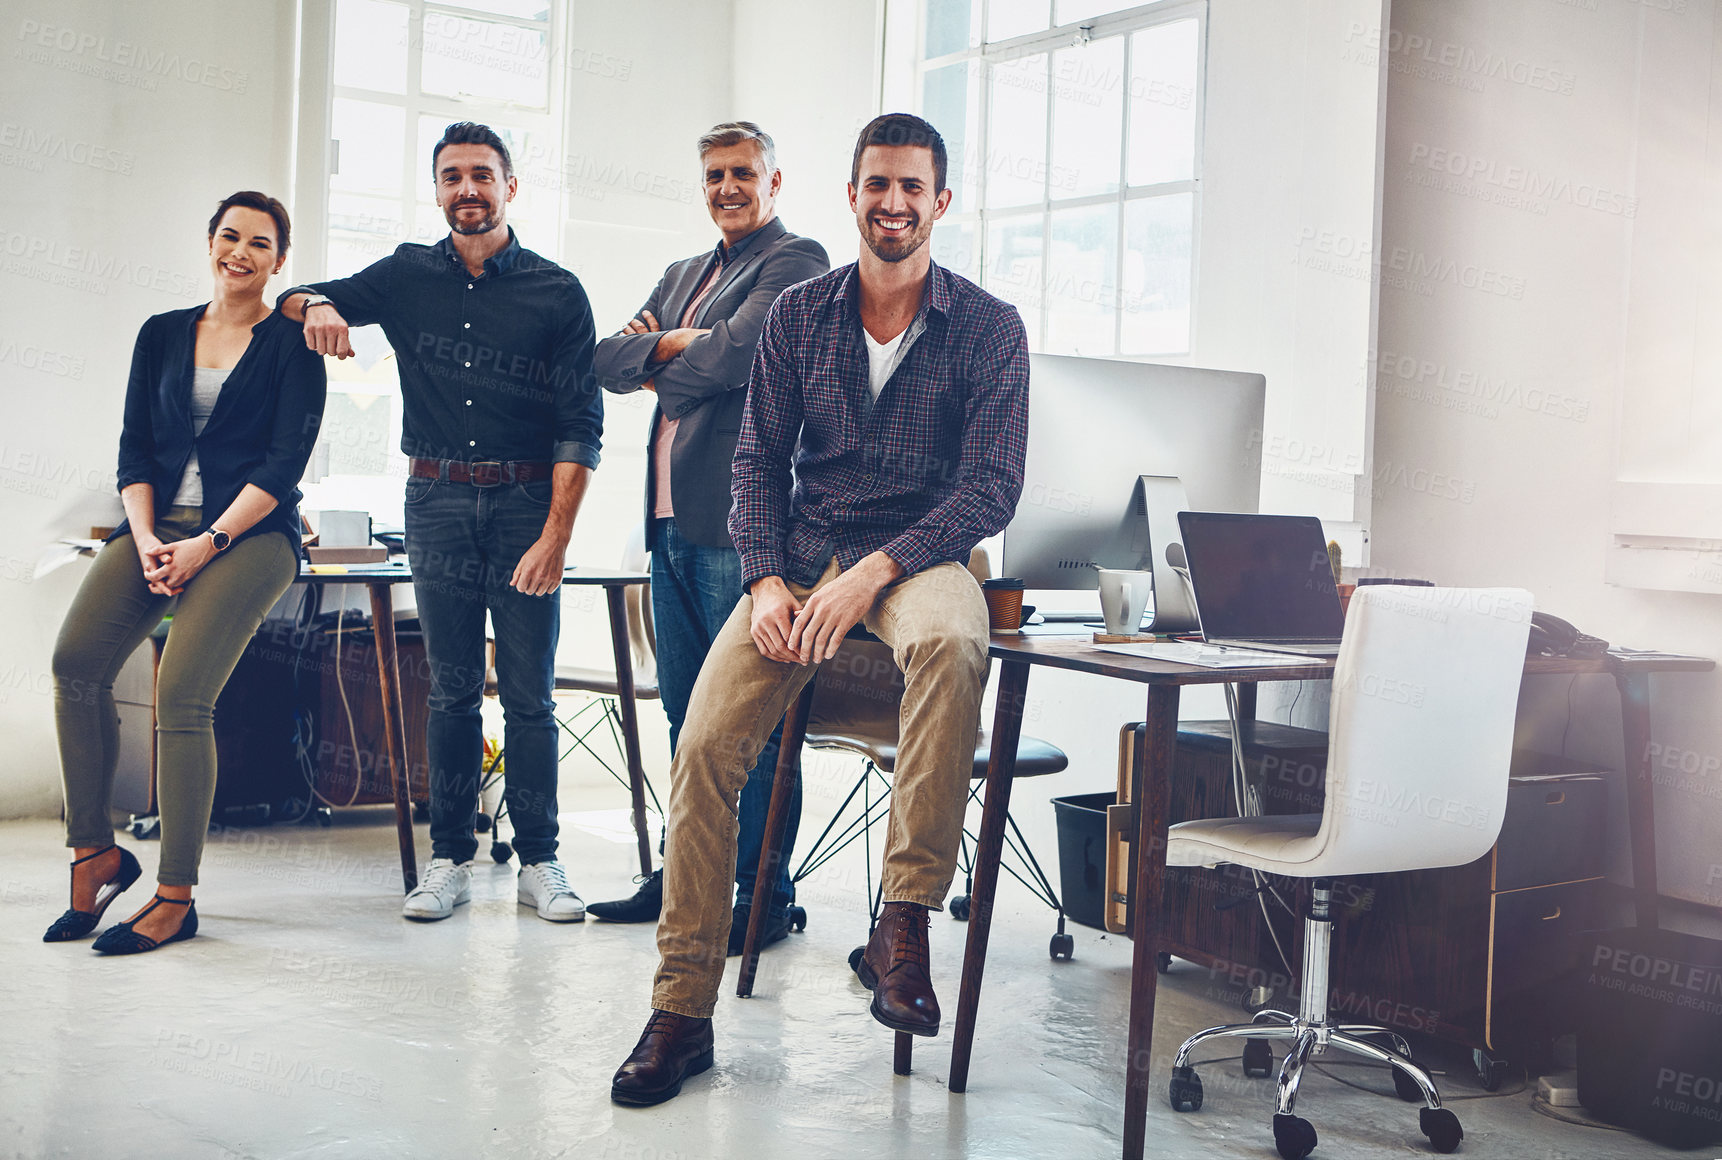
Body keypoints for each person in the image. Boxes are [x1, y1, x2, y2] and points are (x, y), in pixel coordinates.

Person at [610, 113, 1030, 1106]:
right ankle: (682, 1006)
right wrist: (764, 578)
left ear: (941, 202)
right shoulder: (801, 313)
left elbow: (991, 486)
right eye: (876, 184)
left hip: (922, 550)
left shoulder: (989, 326)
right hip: (802, 555)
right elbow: (756, 458)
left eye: (911, 187)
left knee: (954, 642)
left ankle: (904, 921)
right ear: (850, 195)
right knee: (706, 740)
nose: (893, 203)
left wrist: (875, 570)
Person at [278, 122, 603, 923]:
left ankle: (541, 862)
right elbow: (291, 300)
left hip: (529, 504)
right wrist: (317, 303)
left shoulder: (557, 291)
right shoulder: (403, 274)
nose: (469, 190)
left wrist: (556, 536)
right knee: (452, 693)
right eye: (453, 176)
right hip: (435, 503)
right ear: (437, 190)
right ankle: (450, 860)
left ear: (510, 188)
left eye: (483, 176)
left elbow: (580, 424)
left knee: (529, 697)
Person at [46, 191, 326, 954]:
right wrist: (143, 539)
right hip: (156, 527)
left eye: (260, 243)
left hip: (254, 535)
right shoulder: (162, 334)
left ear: (279, 260)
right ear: (209, 243)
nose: (241, 252)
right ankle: (93, 855)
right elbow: (135, 448)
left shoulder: (294, 344)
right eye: (230, 236)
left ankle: (175, 896)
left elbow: (282, 465)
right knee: (75, 666)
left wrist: (208, 542)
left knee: (182, 693)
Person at [590, 122, 829, 949]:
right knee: (685, 720)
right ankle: (686, 877)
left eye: (742, 173)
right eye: (714, 175)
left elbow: (736, 360)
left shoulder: (795, 262)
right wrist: (663, 348)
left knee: (748, 725)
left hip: (741, 530)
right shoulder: (685, 272)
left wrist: (663, 357)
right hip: (666, 522)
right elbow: (604, 360)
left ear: (773, 180)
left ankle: (763, 892)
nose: (727, 187)